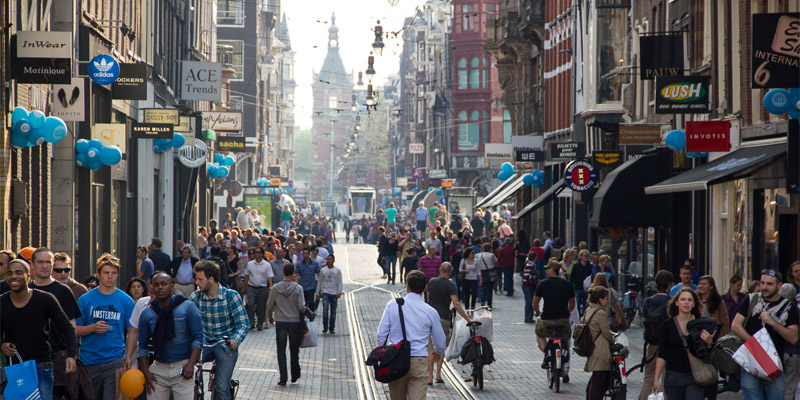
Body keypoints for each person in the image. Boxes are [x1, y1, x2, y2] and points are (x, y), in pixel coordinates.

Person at [1, 259, 78, 400]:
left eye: (19, 272)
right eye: (10, 273)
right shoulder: (2, 302)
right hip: (15, 367)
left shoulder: (45, 299)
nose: (14, 276)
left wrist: (71, 355)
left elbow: (67, 327)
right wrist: (2, 345)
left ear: (28, 276)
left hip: (41, 364)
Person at [377, 270, 446, 399]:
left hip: (396, 360)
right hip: (419, 360)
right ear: (425, 288)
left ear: (407, 286)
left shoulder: (393, 305)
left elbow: (381, 334)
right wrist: (438, 351)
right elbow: (441, 340)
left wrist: (384, 353)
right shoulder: (430, 311)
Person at [731, 269, 799, 400]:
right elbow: (735, 325)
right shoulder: (751, 299)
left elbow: (793, 337)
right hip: (751, 360)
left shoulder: (789, 307)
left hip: (774, 363)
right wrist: (755, 344)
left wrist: (773, 322)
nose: (764, 287)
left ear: (779, 286)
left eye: (769, 284)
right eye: (762, 283)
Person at [76, 254, 136, 400]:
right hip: (89, 359)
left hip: (114, 359)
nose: (110, 277)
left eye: (113, 273)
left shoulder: (126, 300)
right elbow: (75, 329)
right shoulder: (85, 299)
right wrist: (92, 328)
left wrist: (128, 356)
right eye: (106, 273)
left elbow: (133, 330)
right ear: (98, 274)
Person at [137, 273, 203, 400]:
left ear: (171, 286)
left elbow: (198, 338)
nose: (160, 287)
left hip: (182, 367)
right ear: (152, 288)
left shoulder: (187, 307)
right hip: (158, 369)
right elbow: (143, 347)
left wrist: (191, 364)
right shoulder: (147, 314)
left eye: (164, 284)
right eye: (156, 284)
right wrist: (146, 372)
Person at [191, 260, 250, 400]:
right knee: (187, 374)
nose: (197, 283)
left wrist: (235, 340)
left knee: (222, 389)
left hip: (224, 345)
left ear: (211, 279)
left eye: (200, 279)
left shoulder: (231, 296)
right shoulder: (196, 297)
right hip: (204, 343)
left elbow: (243, 323)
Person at [654, 288, 717, 400]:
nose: (686, 302)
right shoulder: (667, 325)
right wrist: (656, 378)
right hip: (673, 376)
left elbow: (708, 353)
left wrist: (709, 343)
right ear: (677, 303)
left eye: (689, 300)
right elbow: (662, 353)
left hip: (695, 375)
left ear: (694, 304)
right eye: (683, 299)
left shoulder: (701, 324)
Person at [426, 262, 471, 385]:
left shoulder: (431, 282)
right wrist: (468, 319)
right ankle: (438, 375)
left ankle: (429, 377)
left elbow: (429, 301)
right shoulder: (451, 285)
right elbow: (456, 303)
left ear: (440, 269)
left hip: (431, 319)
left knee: (430, 348)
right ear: (450, 271)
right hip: (444, 319)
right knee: (441, 347)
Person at [533, 260, 575, 381]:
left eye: (547, 268)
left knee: (539, 333)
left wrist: (537, 312)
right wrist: (567, 311)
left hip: (547, 320)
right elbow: (572, 303)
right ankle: (562, 366)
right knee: (565, 338)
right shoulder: (568, 284)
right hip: (563, 320)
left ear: (552, 270)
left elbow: (535, 302)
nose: (545, 270)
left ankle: (547, 353)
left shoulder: (543, 283)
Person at [266, 263, 307, 386]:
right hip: (294, 321)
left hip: (281, 321)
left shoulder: (276, 288)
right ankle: (295, 374)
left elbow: (269, 305)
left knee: (281, 349)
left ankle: (283, 377)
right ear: (293, 273)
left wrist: (270, 317)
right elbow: (301, 307)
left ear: (283, 272)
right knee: (294, 349)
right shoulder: (298, 288)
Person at [638, 270, 673, 400]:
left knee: (648, 378)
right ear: (669, 284)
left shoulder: (648, 301)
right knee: (665, 378)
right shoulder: (671, 301)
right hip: (668, 346)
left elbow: (644, 321)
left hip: (652, 344)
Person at [584, 286, 615, 400]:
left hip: (592, 348)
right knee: (598, 382)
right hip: (600, 351)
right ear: (600, 300)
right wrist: (614, 340)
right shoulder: (600, 313)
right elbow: (606, 332)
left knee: (599, 379)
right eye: (606, 299)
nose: (607, 302)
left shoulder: (588, 310)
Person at [243, 246, 274, 331]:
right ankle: (251, 322)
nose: (255, 254)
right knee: (250, 304)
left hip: (262, 288)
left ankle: (260, 323)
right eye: (254, 252)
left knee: (261, 307)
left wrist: (270, 287)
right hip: (251, 287)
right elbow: (246, 276)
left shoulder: (267, 265)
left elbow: (269, 277)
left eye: (257, 252)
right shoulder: (250, 264)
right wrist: (244, 287)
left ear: (261, 254)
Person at [316, 255, 343, 334]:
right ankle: (325, 327)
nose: (329, 261)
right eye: (328, 259)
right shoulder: (323, 270)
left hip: (334, 293)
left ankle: (332, 327)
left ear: (333, 260)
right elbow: (320, 281)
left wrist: (339, 291)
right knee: (325, 309)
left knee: (333, 311)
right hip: (325, 292)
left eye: (331, 259)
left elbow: (340, 281)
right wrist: (318, 292)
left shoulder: (337, 270)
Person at [570, 250, 593, 317]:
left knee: (586, 306)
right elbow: (572, 277)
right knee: (577, 304)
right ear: (580, 257)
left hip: (587, 289)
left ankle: (584, 317)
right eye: (584, 256)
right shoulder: (576, 266)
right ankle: (578, 317)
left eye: (587, 256)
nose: (586, 257)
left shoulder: (590, 267)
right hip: (577, 288)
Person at [477, 243, 499, 309]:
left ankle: (482, 301)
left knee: (483, 288)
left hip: (482, 272)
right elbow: (496, 261)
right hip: (490, 272)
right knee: (490, 288)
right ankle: (489, 303)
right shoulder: (491, 255)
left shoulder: (479, 255)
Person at [522, 252, 540, 323]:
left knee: (531, 300)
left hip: (530, 285)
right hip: (527, 285)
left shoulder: (532, 265)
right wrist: (536, 276)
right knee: (529, 301)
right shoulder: (529, 265)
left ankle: (530, 316)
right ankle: (527, 317)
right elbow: (526, 276)